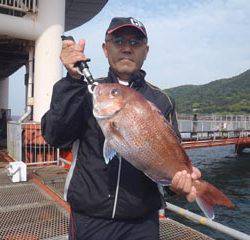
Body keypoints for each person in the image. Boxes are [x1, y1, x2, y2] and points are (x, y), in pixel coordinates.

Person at [41, 17, 201, 240]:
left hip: (143, 223)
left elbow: (171, 156)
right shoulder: (87, 90)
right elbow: (54, 136)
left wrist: (179, 185)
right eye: (118, 41)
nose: (127, 48)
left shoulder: (162, 100)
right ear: (105, 49)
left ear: (146, 51)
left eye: (135, 42)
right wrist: (71, 81)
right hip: (90, 219)